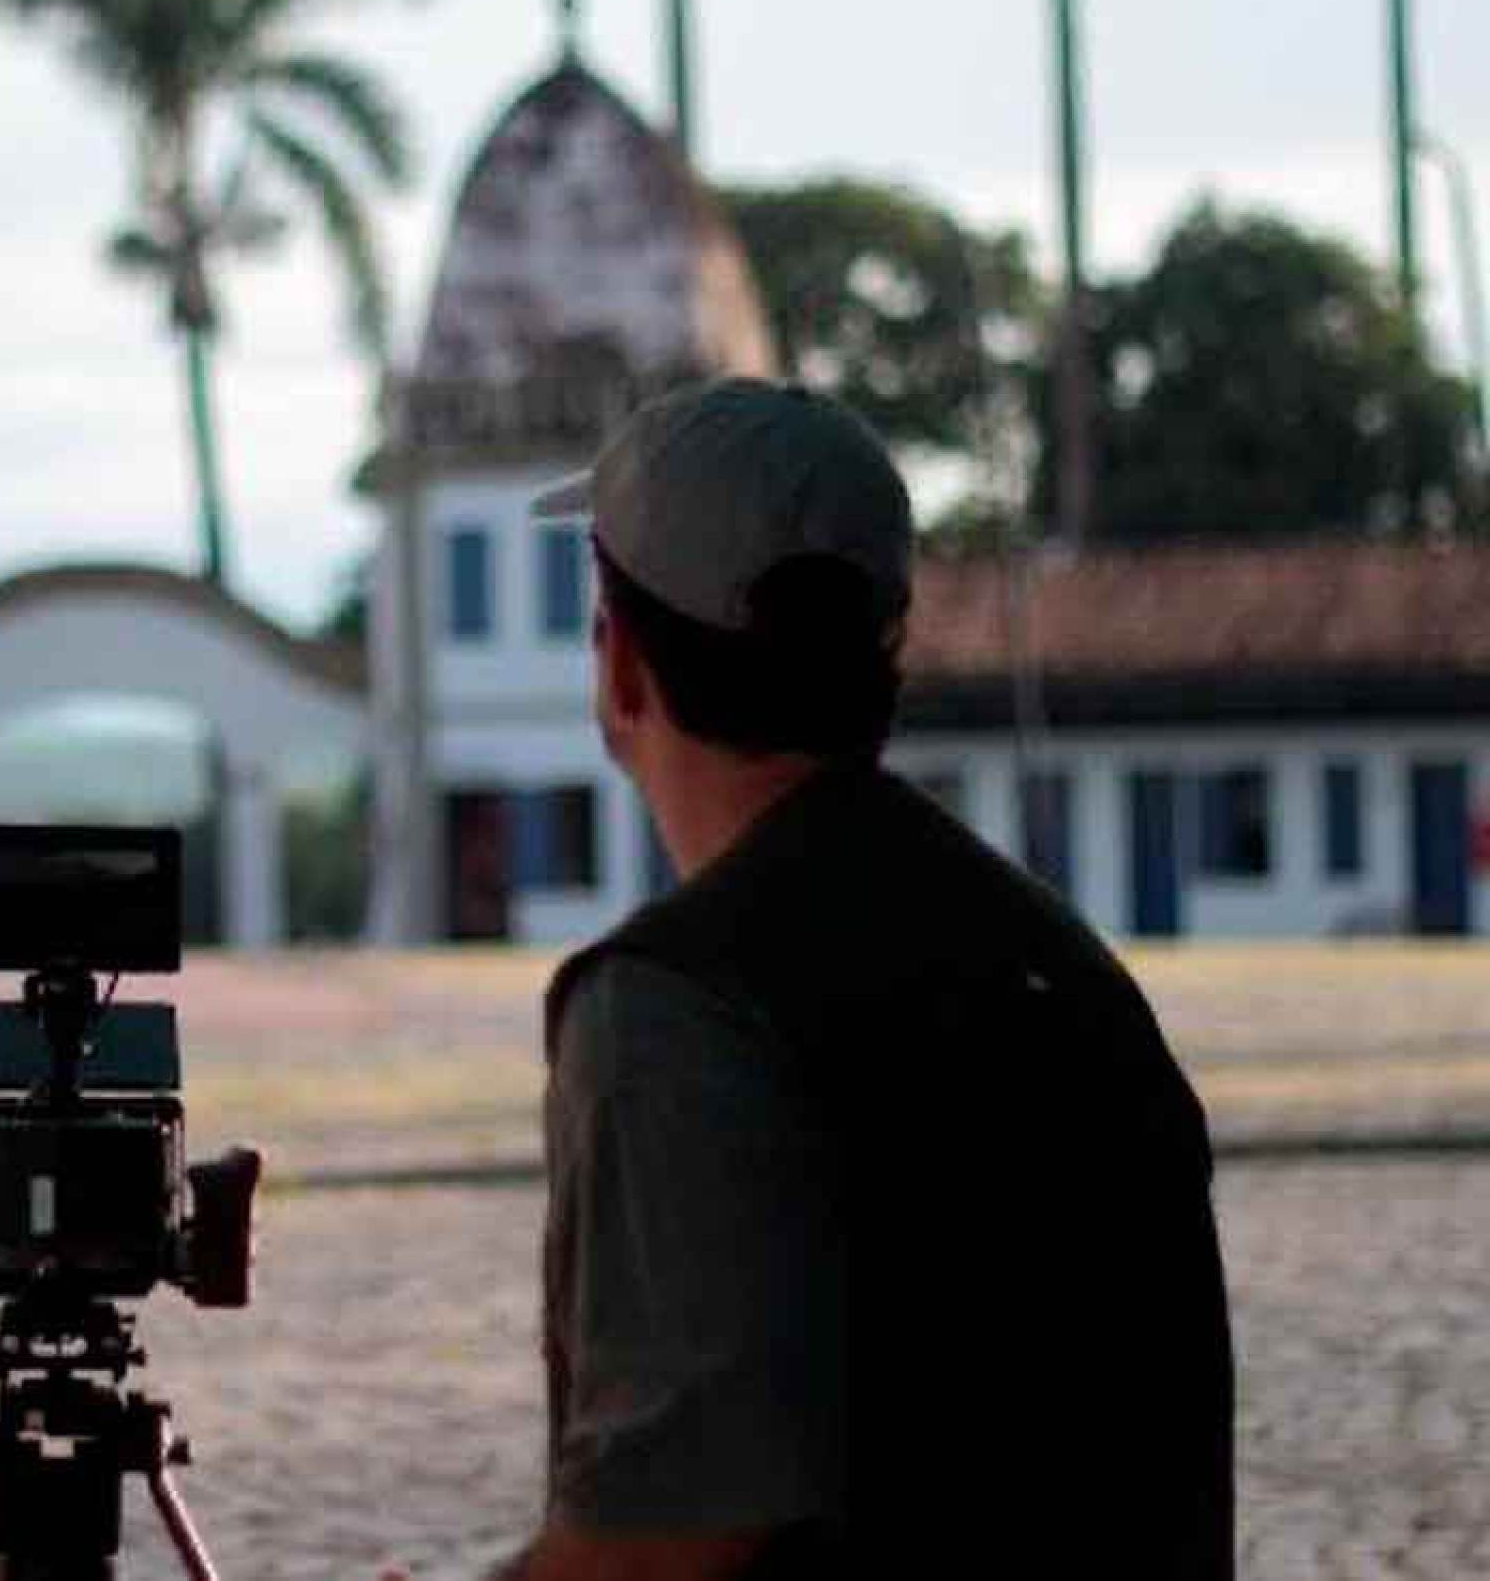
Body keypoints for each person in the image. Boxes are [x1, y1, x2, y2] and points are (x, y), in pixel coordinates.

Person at [468, 378, 1232, 1580]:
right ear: (887, 650)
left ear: (617, 666)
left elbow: (668, 1539)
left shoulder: (675, 1006)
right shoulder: (1059, 962)